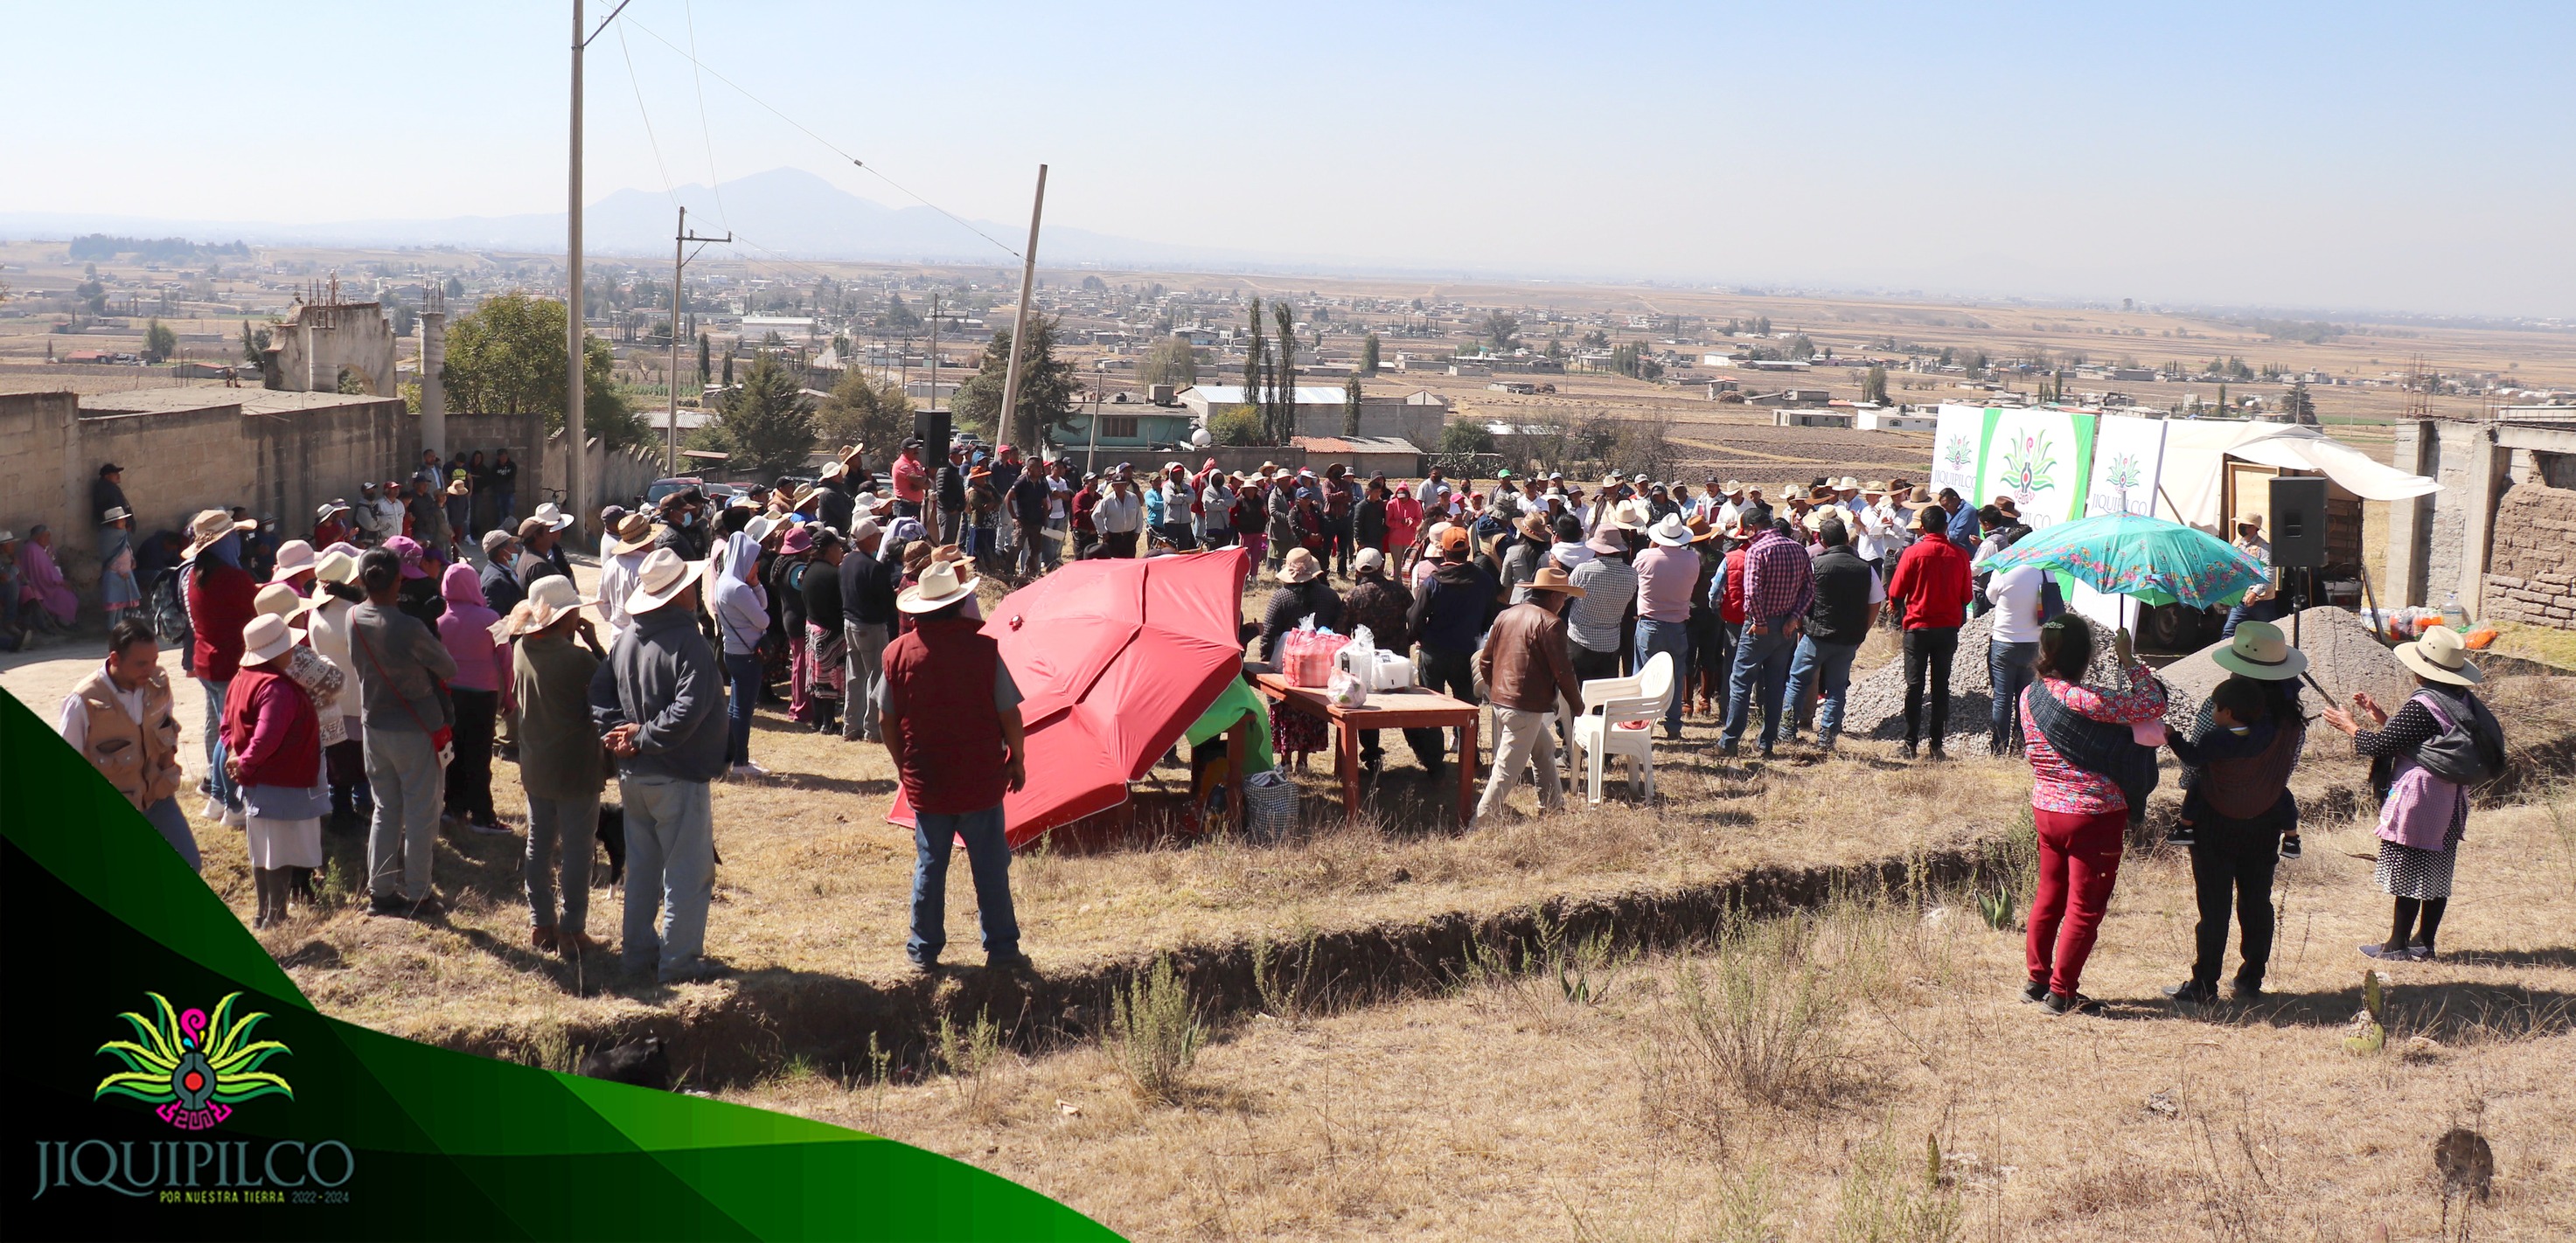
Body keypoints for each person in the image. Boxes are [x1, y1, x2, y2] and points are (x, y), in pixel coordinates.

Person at [879, 556, 1031, 973]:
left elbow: (885, 719)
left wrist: (902, 766)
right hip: (980, 777)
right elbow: (1010, 715)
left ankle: (923, 951)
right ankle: (1002, 949)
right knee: (990, 866)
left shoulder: (896, 654)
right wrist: (1017, 760)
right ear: (959, 604)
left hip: (927, 778)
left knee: (930, 865)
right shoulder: (983, 650)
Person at [2322, 625, 2502, 963]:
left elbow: (2377, 745)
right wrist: (2379, 716)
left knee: (2410, 871)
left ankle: (2397, 946)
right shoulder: (2460, 700)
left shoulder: (2424, 705)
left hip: (2422, 797)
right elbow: (2423, 740)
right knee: (2437, 871)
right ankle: (2425, 943)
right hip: (2450, 797)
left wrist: (2349, 725)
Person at [591, 547, 728, 983]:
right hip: (676, 772)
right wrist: (640, 737)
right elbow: (689, 710)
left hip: (635, 775)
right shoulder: (691, 643)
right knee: (687, 874)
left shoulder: (627, 638)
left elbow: (599, 695)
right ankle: (680, 963)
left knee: (644, 868)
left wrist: (621, 735)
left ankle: (637, 957)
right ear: (679, 594)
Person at [2018, 614, 2166, 1015]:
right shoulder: (2083, 700)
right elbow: (2154, 702)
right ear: (2085, 654)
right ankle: (2062, 992)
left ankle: (2037, 979)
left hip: (2046, 808)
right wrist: (2129, 660)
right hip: (2093, 815)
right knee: (2085, 906)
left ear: (2044, 650)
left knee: (2049, 895)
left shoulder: (2029, 694)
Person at [2162, 628, 2308, 1003]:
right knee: (2256, 900)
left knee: (2214, 905)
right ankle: (2250, 980)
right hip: (2265, 818)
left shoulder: (2223, 706)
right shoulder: (2292, 720)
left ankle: (2204, 983)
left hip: (2214, 816)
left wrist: (2191, 794)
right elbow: (2286, 768)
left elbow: (2196, 762)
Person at [349, 547, 458, 918]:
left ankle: (380, 891)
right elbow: (448, 667)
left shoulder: (353, 617)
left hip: (374, 723)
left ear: (362, 580)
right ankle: (418, 892)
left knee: (385, 809)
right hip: (414, 726)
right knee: (421, 812)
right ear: (398, 580)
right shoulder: (408, 626)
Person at [505, 576, 609, 955]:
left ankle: (541, 923)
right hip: (576, 766)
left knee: (539, 844)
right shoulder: (576, 658)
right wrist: (594, 643)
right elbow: (610, 684)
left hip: (536, 764)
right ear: (566, 616)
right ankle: (572, 930)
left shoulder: (521, 649)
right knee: (579, 851)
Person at [59, 618, 199, 871]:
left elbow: (168, 728)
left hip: (158, 799)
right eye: (141, 663)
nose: (151, 669)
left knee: (189, 864)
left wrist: (168, 765)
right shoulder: (82, 701)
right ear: (115, 659)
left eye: (155, 660)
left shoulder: (158, 682)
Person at [225, 615, 329, 928]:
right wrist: (246, 761)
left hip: (256, 781)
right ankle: (277, 915)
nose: (294, 649)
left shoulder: (241, 678)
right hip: (282, 779)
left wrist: (235, 754)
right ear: (275, 651)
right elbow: (268, 736)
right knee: (280, 853)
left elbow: (226, 725)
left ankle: (262, 914)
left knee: (262, 850)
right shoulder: (277, 688)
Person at [1474, 565, 1584, 822]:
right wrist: (1578, 707)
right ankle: (1480, 822)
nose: (1564, 602)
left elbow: (1486, 661)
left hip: (1503, 701)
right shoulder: (1552, 623)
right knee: (1505, 771)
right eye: (1564, 597)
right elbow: (1563, 672)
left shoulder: (1507, 615)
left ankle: (1554, 808)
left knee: (1544, 749)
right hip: (1525, 706)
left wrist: (1496, 690)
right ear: (1554, 596)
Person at [180, 509, 261, 825]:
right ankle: (231, 804)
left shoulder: (195, 576)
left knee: (217, 727)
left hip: (205, 663)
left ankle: (216, 798)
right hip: (229, 664)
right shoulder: (233, 577)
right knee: (231, 737)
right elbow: (253, 606)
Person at [1783, 517, 1882, 752]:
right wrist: (1862, 633)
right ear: (1846, 540)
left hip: (1816, 636)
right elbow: (1876, 602)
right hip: (1847, 638)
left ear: (1823, 542)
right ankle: (1827, 739)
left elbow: (1800, 597)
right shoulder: (1865, 568)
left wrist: (1799, 624)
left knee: (1797, 681)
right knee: (1837, 690)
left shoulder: (1816, 565)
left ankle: (1786, 733)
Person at [1407, 524, 1499, 772]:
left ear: (1444, 553)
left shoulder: (1433, 583)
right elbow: (1491, 617)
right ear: (1468, 550)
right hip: (1468, 652)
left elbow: (1415, 618)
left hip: (1434, 652)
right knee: (1467, 706)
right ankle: (1470, 757)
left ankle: (1434, 760)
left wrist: (1420, 637)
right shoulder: (1484, 580)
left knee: (1432, 708)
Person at [1886, 505, 1973, 760]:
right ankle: (1936, 745)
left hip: (1918, 627)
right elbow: (1967, 596)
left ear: (1922, 528)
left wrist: (1898, 605)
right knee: (1940, 686)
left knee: (1914, 686)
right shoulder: (1959, 555)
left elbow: (1896, 591)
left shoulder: (1913, 553)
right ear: (1946, 527)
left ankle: (1910, 742)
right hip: (1946, 628)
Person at [1722, 519, 1813, 760]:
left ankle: (1729, 742)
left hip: (1760, 625)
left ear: (1753, 527)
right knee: (1775, 684)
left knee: (1741, 681)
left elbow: (1751, 592)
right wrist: (1794, 618)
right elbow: (1809, 589)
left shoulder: (1758, 550)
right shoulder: (1797, 548)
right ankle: (1765, 743)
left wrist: (1760, 622)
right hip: (1785, 627)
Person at [435, 562, 511, 835]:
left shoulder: (437, 618)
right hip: (483, 695)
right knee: (478, 755)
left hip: (448, 694)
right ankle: (482, 815)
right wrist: (509, 695)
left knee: (452, 751)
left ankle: (452, 807)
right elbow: (506, 659)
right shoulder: (492, 618)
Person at [303, 550, 370, 825]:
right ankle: (343, 814)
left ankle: (343, 809)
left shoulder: (319, 612)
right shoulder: (351, 616)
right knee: (348, 763)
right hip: (353, 698)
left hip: (330, 697)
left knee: (338, 760)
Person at [1632, 513, 1699, 740]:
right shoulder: (1692, 559)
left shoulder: (1645, 556)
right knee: (1675, 675)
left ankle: (1639, 722)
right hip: (1678, 624)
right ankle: (1673, 725)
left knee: (1641, 675)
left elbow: (1637, 574)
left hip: (1650, 623)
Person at [713, 529, 771, 778]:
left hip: (734, 653)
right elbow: (764, 619)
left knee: (735, 709)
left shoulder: (726, 582)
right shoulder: (738, 589)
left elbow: (763, 605)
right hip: (747, 656)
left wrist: (755, 583)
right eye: (755, 561)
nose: (757, 565)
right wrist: (754, 586)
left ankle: (731, 756)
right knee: (743, 711)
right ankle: (740, 762)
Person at [1984, 545, 2046, 755]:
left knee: (2002, 698)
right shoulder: (2045, 570)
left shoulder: (2003, 570)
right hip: (2034, 643)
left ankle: (1998, 748)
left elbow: (1991, 598)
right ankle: (2019, 747)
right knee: (2024, 698)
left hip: (2004, 641)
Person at [839, 518, 896, 743]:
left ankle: (850, 726)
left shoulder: (847, 562)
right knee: (876, 676)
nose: (880, 539)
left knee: (854, 676)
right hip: (871, 625)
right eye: (877, 536)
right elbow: (886, 602)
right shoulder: (874, 567)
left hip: (850, 623)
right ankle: (872, 729)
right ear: (870, 538)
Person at [1566, 524, 1638, 685]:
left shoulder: (1584, 570)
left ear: (1597, 549)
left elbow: (1565, 596)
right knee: (1602, 696)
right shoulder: (1632, 575)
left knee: (1577, 697)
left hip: (1580, 640)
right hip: (1611, 642)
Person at [802, 528, 850, 735]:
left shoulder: (809, 570)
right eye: (838, 547)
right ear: (830, 549)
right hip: (830, 631)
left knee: (815, 677)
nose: (840, 551)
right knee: (831, 677)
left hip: (813, 628)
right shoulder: (833, 574)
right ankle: (828, 723)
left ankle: (817, 719)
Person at [1257, 549, 1341, 663]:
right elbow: (1340, 631)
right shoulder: (1330, 595)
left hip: (1288, 661)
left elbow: (1268, 635)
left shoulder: (1280, 597)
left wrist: (1267, 660)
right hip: (1322, 661)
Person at [595, 512, 656, 649]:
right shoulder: (648, 568)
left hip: (617, 638)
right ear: (647, 540)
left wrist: (618, 620)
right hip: (644, 640)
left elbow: (601, 601)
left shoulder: (611, 564)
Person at [2222, 513, 2282, 638]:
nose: (2241, 527)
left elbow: (2269, 574)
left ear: (2254, 528)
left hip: (2262, 601)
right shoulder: (2237, 543)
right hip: (2241, 598)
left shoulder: (2264, 548)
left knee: (2270, 633)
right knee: (2229, 631)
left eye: (2246, 525)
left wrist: (2254, 593)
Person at [16, 524, 78, 632]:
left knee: (68, 592)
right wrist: (60, 582)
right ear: (37, 537)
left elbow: (52, 565)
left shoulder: (43, 548)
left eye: (49, 536)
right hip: (40, 584)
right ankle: (64, 622)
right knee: (63, 594)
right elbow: (45, 572)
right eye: (45, 536)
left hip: (44, 582)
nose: (48, 539)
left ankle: (67, 620)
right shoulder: (33, 548)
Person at [1007, 457, 1055, 577]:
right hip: (1023, 521)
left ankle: (1031, 573)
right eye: (1037, 468)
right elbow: (1007, 498)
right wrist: (1014, 517)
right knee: (1017, 546)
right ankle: (1009, 572)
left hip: (1037, 522)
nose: (1040, 470)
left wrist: (1045, 519)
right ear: (1029, 469)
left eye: (1041, 467)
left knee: (1036, 549)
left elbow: (1044, 502)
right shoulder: (1021, 482)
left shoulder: (1041, 483)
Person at [98, 507, 142, 623]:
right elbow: (109, 559)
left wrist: (132, 560)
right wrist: (120, 571)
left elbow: (126, 548)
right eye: (121, 520)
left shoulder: (122, 534)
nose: (124, 522)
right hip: (114, 576)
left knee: (122, 603)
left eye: (124, 520)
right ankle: (112, 627)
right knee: (114, 605)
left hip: (126, 574)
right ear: (113, 523)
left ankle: (119, 625)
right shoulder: (107, 537)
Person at [478, 530, 526, 616]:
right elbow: (496, 618)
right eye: (512, 545)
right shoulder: (495, 582)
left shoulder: (506, 571)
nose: (515, 549)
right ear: (502, 551)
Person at [92, 462, 130, 528]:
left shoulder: (111, 488)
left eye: (118, 473)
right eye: (115, 474)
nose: (118, 476)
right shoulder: (106, 489)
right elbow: (114, 508)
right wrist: (125, 524)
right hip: (116, 527)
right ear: (107, 476)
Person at [490, 448, 519, 528]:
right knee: (500, 511)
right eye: (502, 456)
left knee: (510, 512)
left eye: (505, 456)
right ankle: (502, 530)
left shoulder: (512, 466)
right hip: (499, 493)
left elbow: (511, 477)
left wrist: (502, 479)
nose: (504, 458)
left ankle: (510, 529)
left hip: (509, 492)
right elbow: (494, 479)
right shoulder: (495, 467)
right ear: (498, 457)